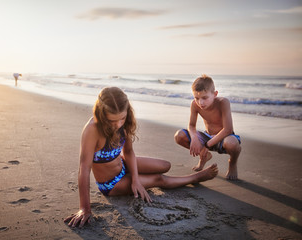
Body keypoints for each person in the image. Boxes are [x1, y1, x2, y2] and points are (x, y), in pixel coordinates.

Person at [64, 87, 218, 228]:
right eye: (112, 121)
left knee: (165, 165)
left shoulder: (125, 123)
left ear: (127, 112)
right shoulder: (92, 129)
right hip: (112, 183)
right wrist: (84, 208)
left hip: (123, 165)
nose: (118, 125)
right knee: (159, 179)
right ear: (101, 114)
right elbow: (84, 168)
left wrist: (136, 180)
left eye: (122, 118)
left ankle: (137, 177)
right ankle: (195, 178)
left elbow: (129, 152)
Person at [174, 74, 241, 180]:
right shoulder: (195, 105)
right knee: (179, 135)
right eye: (197, 98)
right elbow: (191, 125)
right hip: (207, 136)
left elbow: (228, 129)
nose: (200, 102)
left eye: (205, 98)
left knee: (232, 143)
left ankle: (232, 162)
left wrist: (207, 146)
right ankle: (204, 156)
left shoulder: (223, 102)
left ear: (215, 94)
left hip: (223, 138)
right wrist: (195, 138)